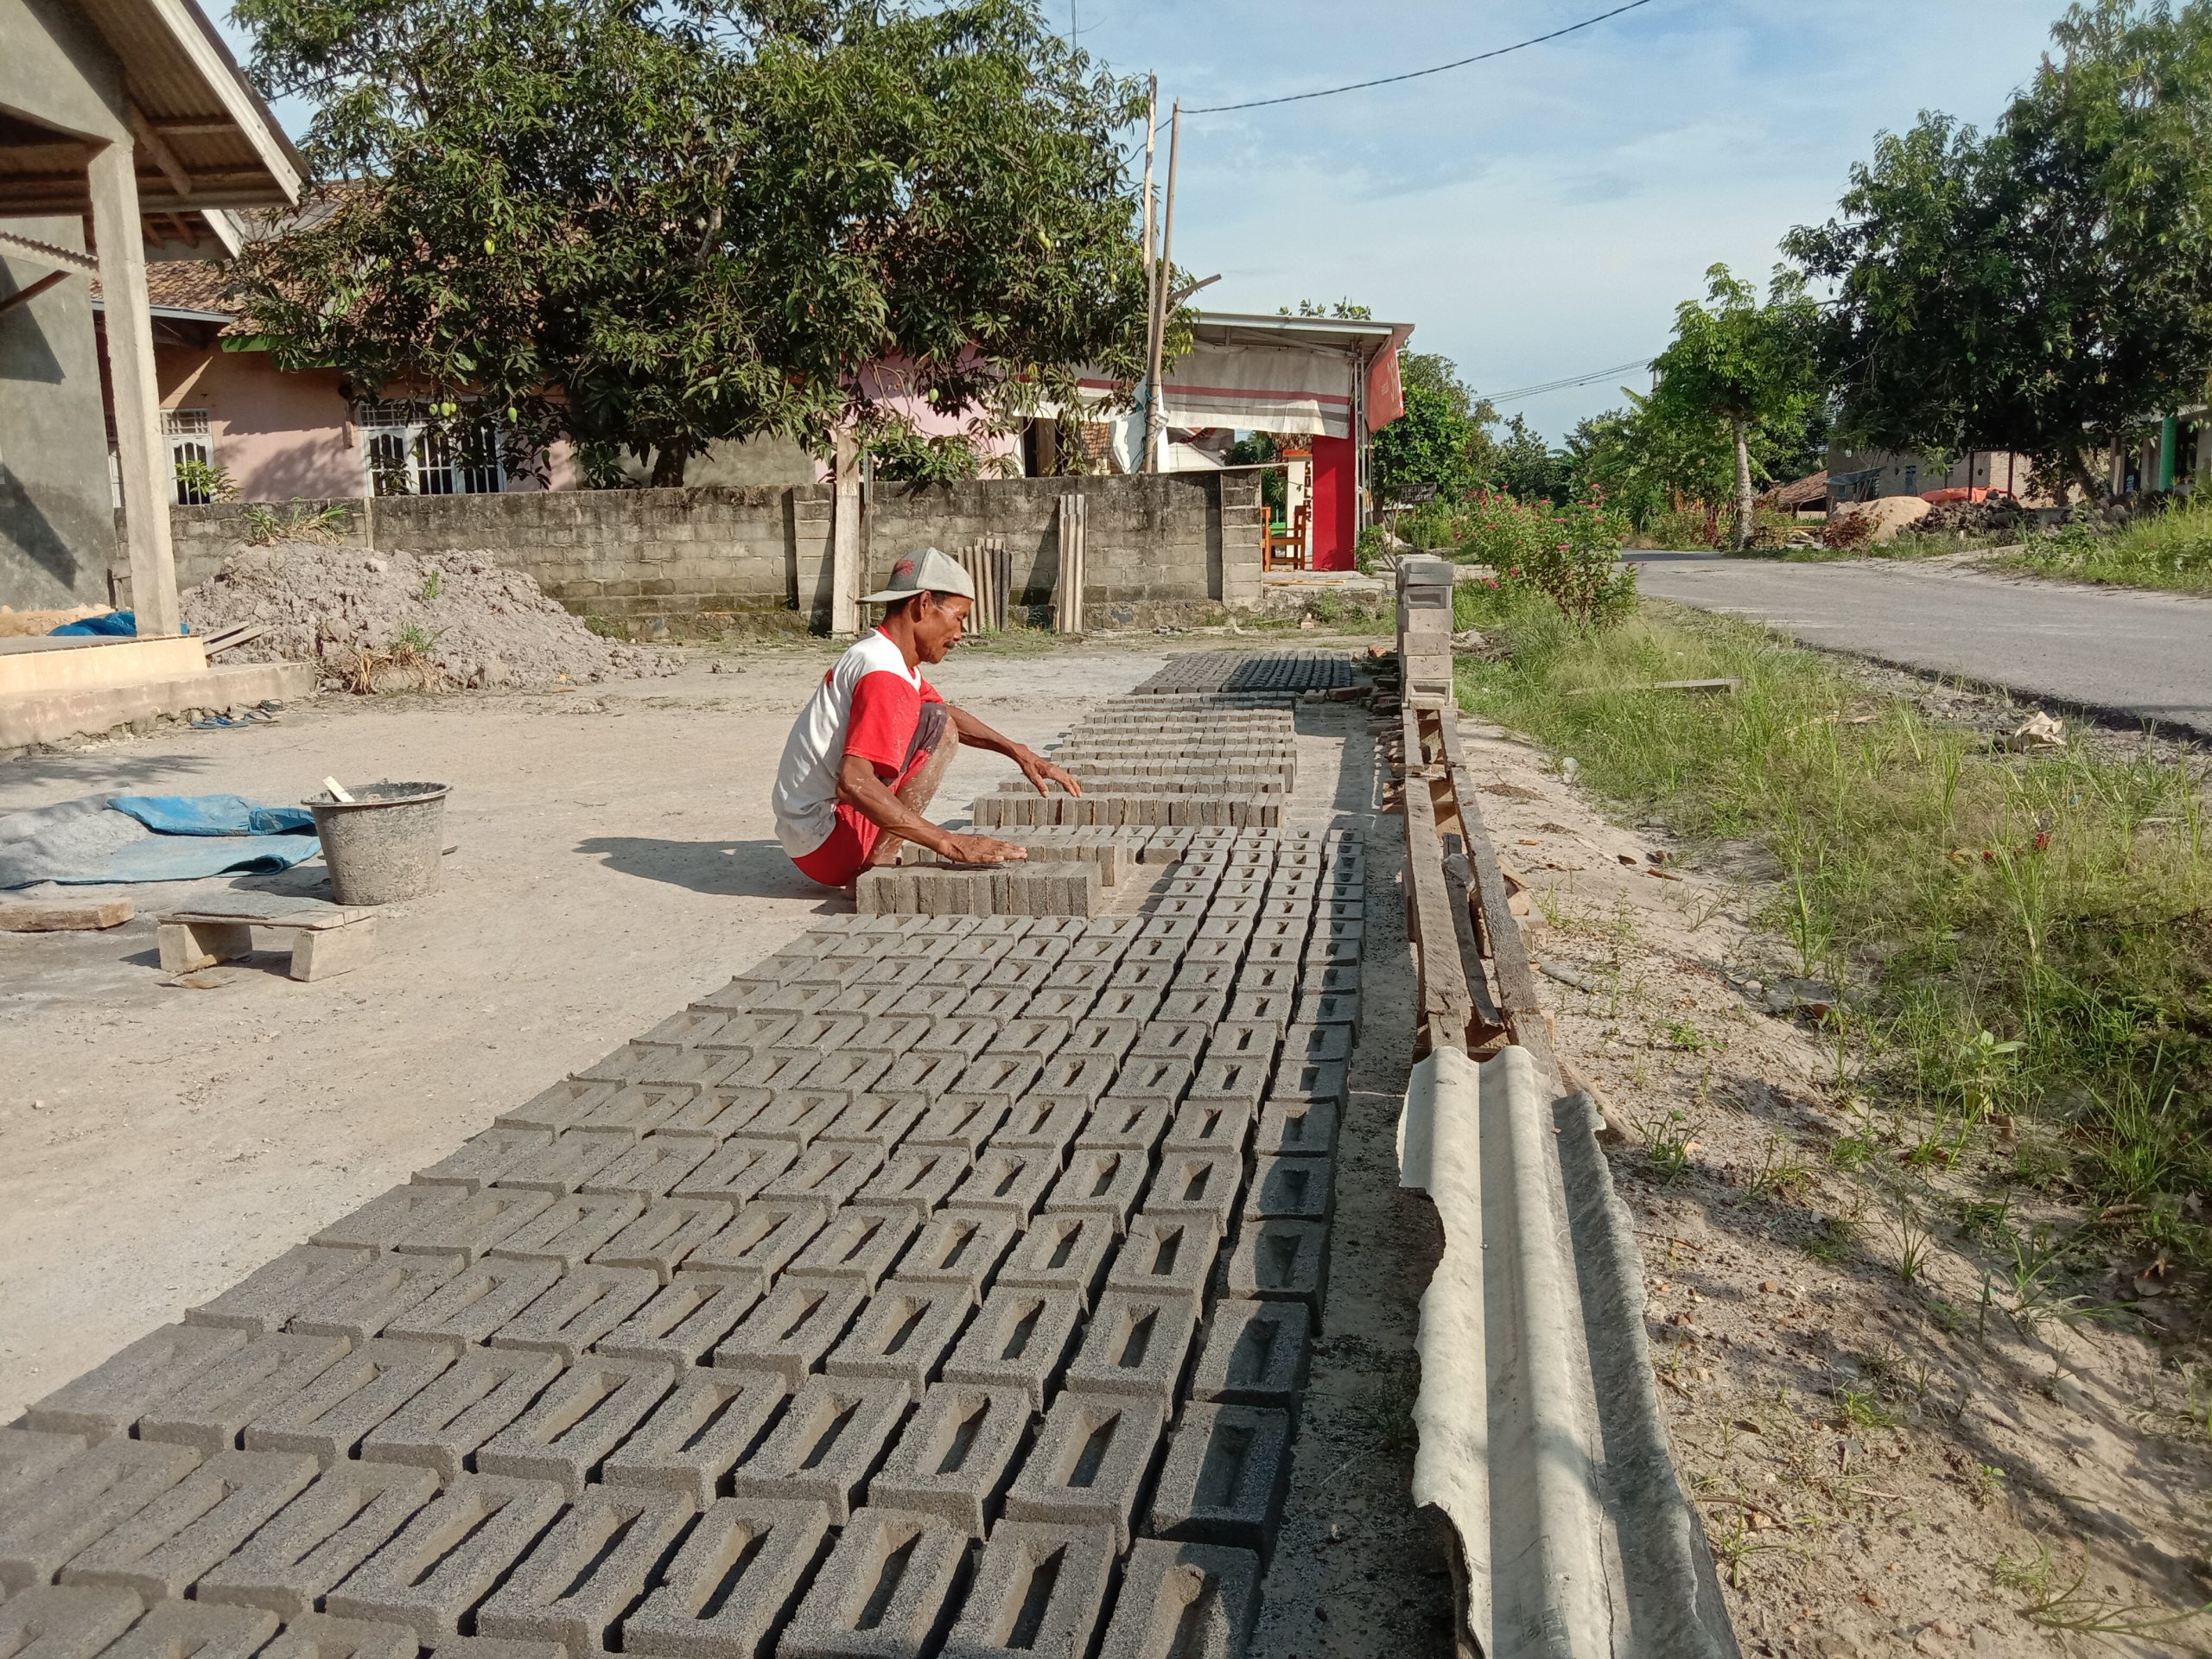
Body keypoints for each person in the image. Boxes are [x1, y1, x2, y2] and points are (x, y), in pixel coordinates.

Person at [772, 547, 1083, 889]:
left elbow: (946, 713)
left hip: (811, 837)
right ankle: (879, 868)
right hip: (828, 840)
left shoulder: (881, 655)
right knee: (941, 729)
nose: (959, 634)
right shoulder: (883, 672)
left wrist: (1019, 752)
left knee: (937, 718)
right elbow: (853, 781)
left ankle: (878, 855)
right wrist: (951, 843)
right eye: (959, 617)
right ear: (923, 605)